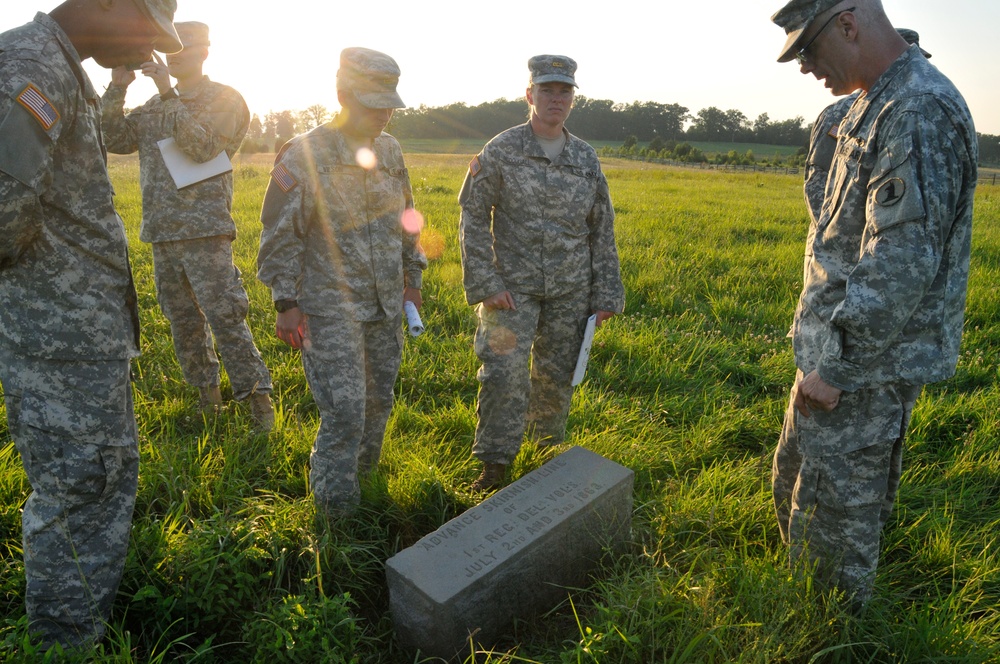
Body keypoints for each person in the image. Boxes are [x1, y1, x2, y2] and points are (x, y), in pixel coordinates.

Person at [770, 0, 977, 606]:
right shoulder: (867, 103)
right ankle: (804, 612)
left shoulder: (916, 108)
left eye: (808, 48)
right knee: (798, 493)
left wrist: (838, 365)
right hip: (830, 352)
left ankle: (827, 637)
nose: (805, 67)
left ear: (849, 23)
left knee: (834, 535)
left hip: (861, 367)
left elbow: (902, 259)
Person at [0, 0, 181, 650]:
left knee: (86, 483)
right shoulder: (31, 61)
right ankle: (62, 644)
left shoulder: (55, 59)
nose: (145, 47)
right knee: (81, 488)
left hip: (72, 335)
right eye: (144, 26)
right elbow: (1, 210)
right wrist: (51, 305)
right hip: (59, 340)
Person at [257, 47, 426, 513]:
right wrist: (284, 301)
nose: (384, 114)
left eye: (389, 103)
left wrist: (412, 277)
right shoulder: (304, 154)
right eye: (372, 103)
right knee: (345, 412)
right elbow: (279, 234)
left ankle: (364, 491)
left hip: (386, 305)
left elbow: (407, 218)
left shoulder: (390, 150)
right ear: (342, 94)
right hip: (329, 309)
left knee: (377, 406)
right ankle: (335, 518)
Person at [458, 55, 625, 491]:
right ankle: (494, 465)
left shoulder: (585, 157)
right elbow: (472, 217)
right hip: (512, 290)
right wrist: (486, 284)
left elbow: (601, 227)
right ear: (529, 95)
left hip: (570, 289)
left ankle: (545, 458)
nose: (556, 98)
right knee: (502, 373)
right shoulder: (502, 149)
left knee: (556, 377)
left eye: (564, 91)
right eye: (547, 90)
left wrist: (605, 295)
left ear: (573, 98)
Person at [101, 21, 274, 430]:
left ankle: (258, 402)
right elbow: (114, 138)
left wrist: (167, 92)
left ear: (205, 52)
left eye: (184, 49)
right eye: (168, 49)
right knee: (183, 321)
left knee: (225, 315)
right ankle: (208, 399)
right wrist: (118, 87)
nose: (174, 56)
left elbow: (202, 147)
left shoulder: (224, 99)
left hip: (205, 230)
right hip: (162, 231)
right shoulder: (154, 107)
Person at [803, 28, 930, 225]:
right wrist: (836, 237)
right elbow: (818, 178)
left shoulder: (918, 112)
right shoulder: (840, 113)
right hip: (843, 246)